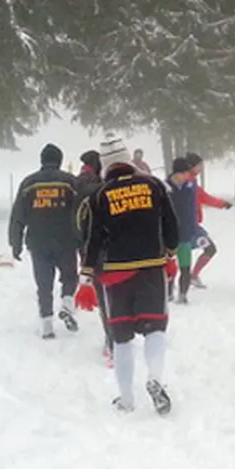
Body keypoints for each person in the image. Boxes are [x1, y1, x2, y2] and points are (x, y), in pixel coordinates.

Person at [82, 143, 180, 415]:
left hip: (116, 274)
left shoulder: (100, 195)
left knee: (121, 337)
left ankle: (126, 399)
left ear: (106, 165)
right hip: (151, 267)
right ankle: (155, 378)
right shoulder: (154, 186)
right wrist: (170, 252)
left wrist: (87, 275)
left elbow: (95, 238)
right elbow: (171, 225)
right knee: (155, 328)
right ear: (129, 162)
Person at [8, 144, 81, 339]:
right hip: (66, 239)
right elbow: (81, 211)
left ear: (42, 160)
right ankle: (66, 304)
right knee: (70, 276)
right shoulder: (70, 182)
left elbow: (18, 215)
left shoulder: (29, 183)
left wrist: (15, 243)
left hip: (38, 242)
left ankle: (47, 326)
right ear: (59, 160)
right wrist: (83, 239)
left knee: (44, 284)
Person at [74, 149, 114, 365]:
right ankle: (115, 336)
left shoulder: (75, 185)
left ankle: (110, 336)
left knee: (102, 291)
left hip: (86, 248)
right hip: (108, 247)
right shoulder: (103, 187)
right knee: (114, 293)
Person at [184, 153, 232, 288]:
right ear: (191, 166)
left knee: (209, 249)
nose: (201, 168)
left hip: (194, 226)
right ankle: (176, 279)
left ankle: (192, 276)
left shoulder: (192, 182)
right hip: (186, 227)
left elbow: (203, 197)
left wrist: (222, 204)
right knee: (207, 249)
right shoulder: (185, 183)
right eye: (199, 165)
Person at [165, 158, 199, 305]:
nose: (187, 176)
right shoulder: (164, 188)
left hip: (185, 234)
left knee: (185, 266)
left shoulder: (189, 189)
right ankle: (167, 293)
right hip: (168, 237)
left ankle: (183, 294)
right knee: (168, 268)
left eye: (188, 173)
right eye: (184, 173)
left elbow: (192, 211)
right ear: (176, 173)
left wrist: (192, 227)